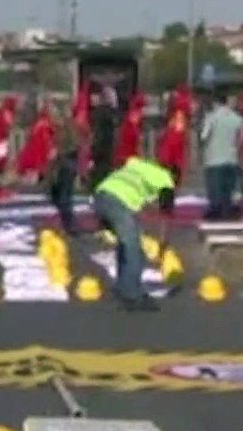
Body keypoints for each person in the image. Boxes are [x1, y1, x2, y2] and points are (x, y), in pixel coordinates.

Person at [92, 156, 176, 313]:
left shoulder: (138, 165)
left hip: (100, 196)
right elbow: (165, 216)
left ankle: (122, 287)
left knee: (125, 245)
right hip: (118, 201)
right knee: (135, 250)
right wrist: (163, 243)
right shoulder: (166, 180)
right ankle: (132, 296)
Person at [201, 92, 243, 219]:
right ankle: (228, 213)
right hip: (231, 159)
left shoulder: (211, 117)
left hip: (213, 159)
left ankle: (215, 213)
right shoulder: (238, 119)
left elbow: (204, 136)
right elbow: (241, 140)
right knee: (228, 191)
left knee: (215, 190)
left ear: (216, 103)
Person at [46, 108, 81, 234]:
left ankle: (70, 225)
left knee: (64, 197)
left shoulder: (68, 129)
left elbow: (73, 146)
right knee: (59, 196)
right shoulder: (59, 130)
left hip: (66, 165)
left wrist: (58, 152)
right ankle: (68, 224)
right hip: (61, 166)